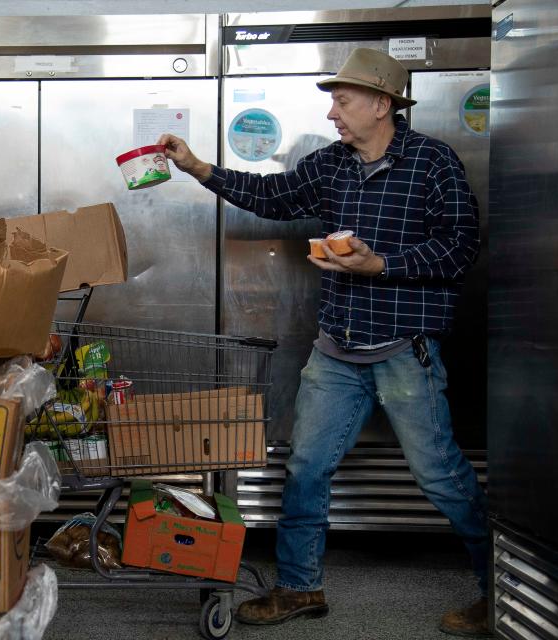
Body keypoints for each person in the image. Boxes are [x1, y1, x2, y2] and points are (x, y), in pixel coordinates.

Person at [159, 48, 490, 638]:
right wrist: (199, 168)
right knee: (307, 466)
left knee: (440, 474)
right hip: (336, 347)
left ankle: (501, 592)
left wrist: (380, 264)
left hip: (402, 348)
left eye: (342, 100)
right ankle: (299, 587)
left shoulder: (434, 163)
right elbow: (272, 196)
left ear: (383, 104)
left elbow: (461, 246)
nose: (333, 113)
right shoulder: (332, 164)